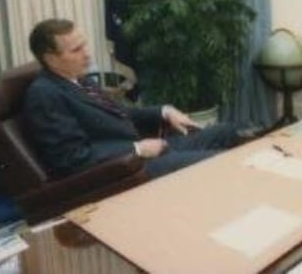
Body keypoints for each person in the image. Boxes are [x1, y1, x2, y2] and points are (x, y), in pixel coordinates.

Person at [23, 18, 242, 179]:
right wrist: (137, 149)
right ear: (50, 58)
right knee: (222, 162)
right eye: (76, 50)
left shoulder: (76, 79)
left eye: (84, 45)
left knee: (226, 132)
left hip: (146, 150)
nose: (87, 54)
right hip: (126, 167)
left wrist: (164, 111)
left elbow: (120, 113)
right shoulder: (44, 94)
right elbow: (71, 158)